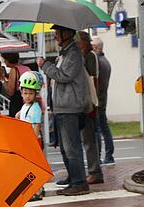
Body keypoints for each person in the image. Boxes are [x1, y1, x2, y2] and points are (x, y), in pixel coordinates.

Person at [38, 25, 91, 196]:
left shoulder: (73, 54)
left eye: (56, 34)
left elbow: (64, 76)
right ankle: (73, 177)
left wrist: (45, 66)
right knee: (65, 148)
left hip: (70, 107)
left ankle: (79, 182)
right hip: (62, 107)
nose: (54, 37)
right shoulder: (66, 53)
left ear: (66, 34)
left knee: (71, 147)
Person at [76, 31, 103, 185]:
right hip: (88, 102)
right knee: (87, 138)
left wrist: (92, 103)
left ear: (84, 43)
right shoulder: (85, 56)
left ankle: (94, 171)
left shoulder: (90, 57)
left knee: (89, 139)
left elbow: (93, 80)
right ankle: (93, 170)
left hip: (89, 103)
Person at [16, 72, 45, 201]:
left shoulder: (35, 108)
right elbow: (20, 115)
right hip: (27, 141)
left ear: (35, 94)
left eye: (31, 93)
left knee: (33, 168)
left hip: (34, 141)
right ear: (21, 93)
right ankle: (39, 189)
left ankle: (37, 191)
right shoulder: (25, 106)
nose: (28, 96)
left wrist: (32, 143)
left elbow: (36, 126)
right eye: (25, 93)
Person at [92, 37, 115, 165]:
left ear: (96, 48)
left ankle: (99, 157)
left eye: (91, 46)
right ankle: (109, 155)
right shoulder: (106, 61)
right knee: (104, 127)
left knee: (98, 129)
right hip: (103, 99)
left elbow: (95, 80)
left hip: (98, 100)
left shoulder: (98, 62)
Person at [1, 53, 31, 118]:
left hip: (17, 102)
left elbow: (10, 92)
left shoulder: (14, 70)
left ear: (8, 60)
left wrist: (2, 78)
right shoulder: (27, 68)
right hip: (28, 99)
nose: (4, 61)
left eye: (4, 60)